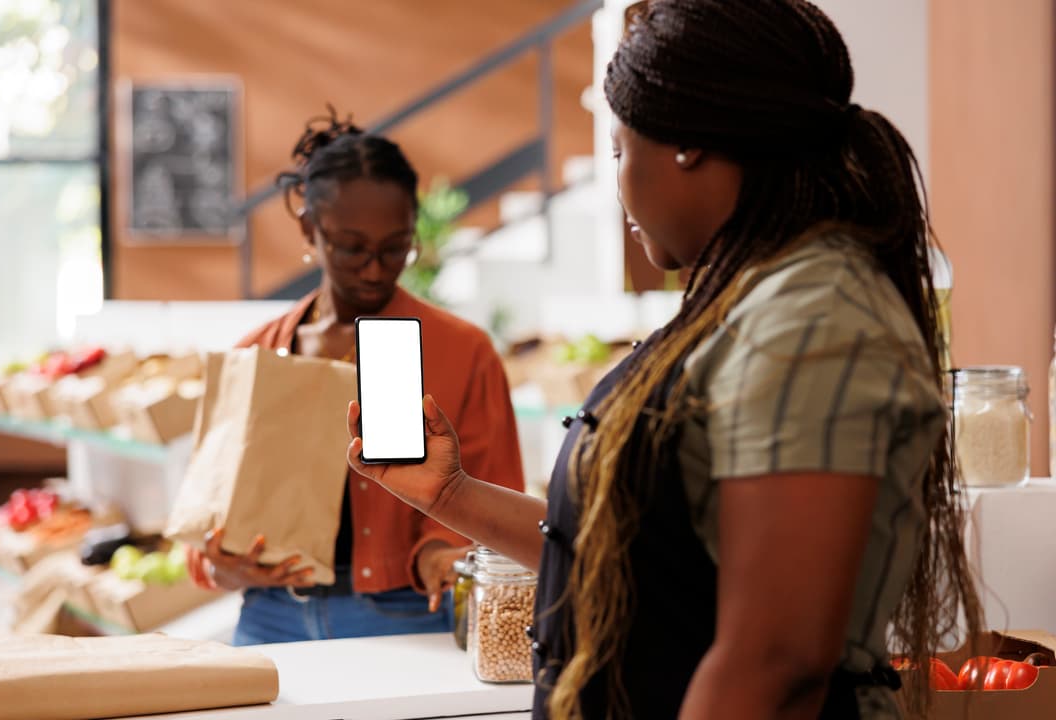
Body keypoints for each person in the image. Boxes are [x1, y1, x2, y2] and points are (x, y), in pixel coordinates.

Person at [345, 1, 982, 718]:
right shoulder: (751, 300)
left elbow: (774, 663)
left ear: (686, 143)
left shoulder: (812, 320)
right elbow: (647, 557)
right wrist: (451, 495)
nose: (619, 183)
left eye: (620, 150)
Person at [185, 108, 525, 645]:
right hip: (269, 617)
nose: (374, 269)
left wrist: (440, 550)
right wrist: (222, 566)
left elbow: (499, 500)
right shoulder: (254, 355)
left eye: (395, 248)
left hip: (404, 616)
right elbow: (205, 524)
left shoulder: (464, 352)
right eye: (352, 247)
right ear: (308, 229)